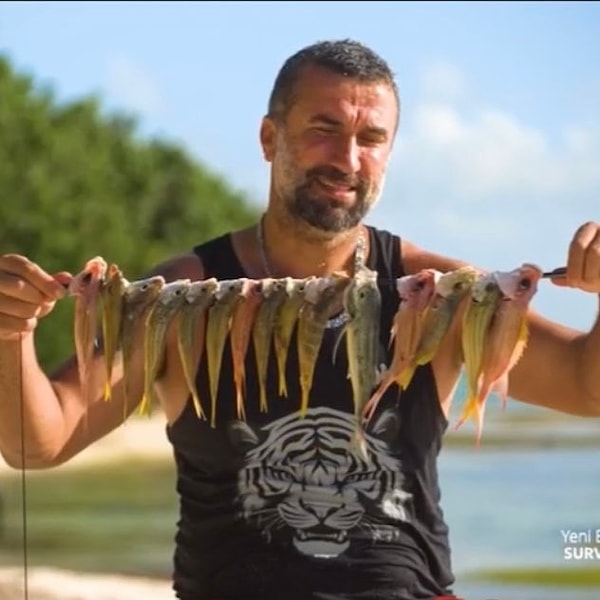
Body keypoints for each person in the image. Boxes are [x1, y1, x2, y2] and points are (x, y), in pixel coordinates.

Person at [0, 39, 599, 600]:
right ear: (268, 137)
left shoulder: (438, 292)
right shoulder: (184, 295)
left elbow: (584, 385)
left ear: (389, 154)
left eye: (371, 138)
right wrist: (10, 331)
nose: (347, 158)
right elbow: (40, 442)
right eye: (324, 129)